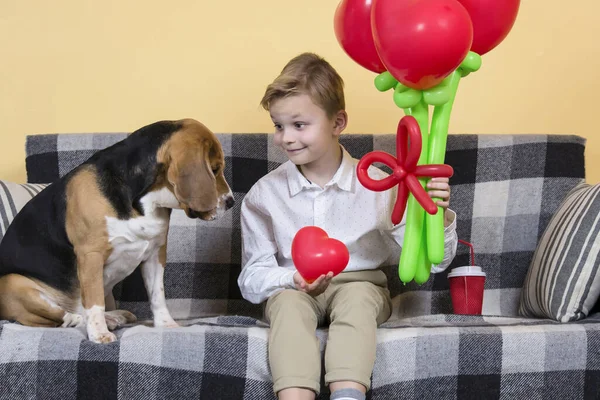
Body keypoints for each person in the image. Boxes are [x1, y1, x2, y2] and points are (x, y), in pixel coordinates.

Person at [238, 52, 458, 400]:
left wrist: (438, 213)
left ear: (337, 122)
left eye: (299, 125)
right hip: (294, 288)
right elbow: (251, 281)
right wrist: (289, 279)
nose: (286, 138)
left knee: (356, 299)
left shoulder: (378, 185)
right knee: (288, 306)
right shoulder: (263, 196)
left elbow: (436, 261)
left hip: (362, 286)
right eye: (279, 126)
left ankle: (348, 395)